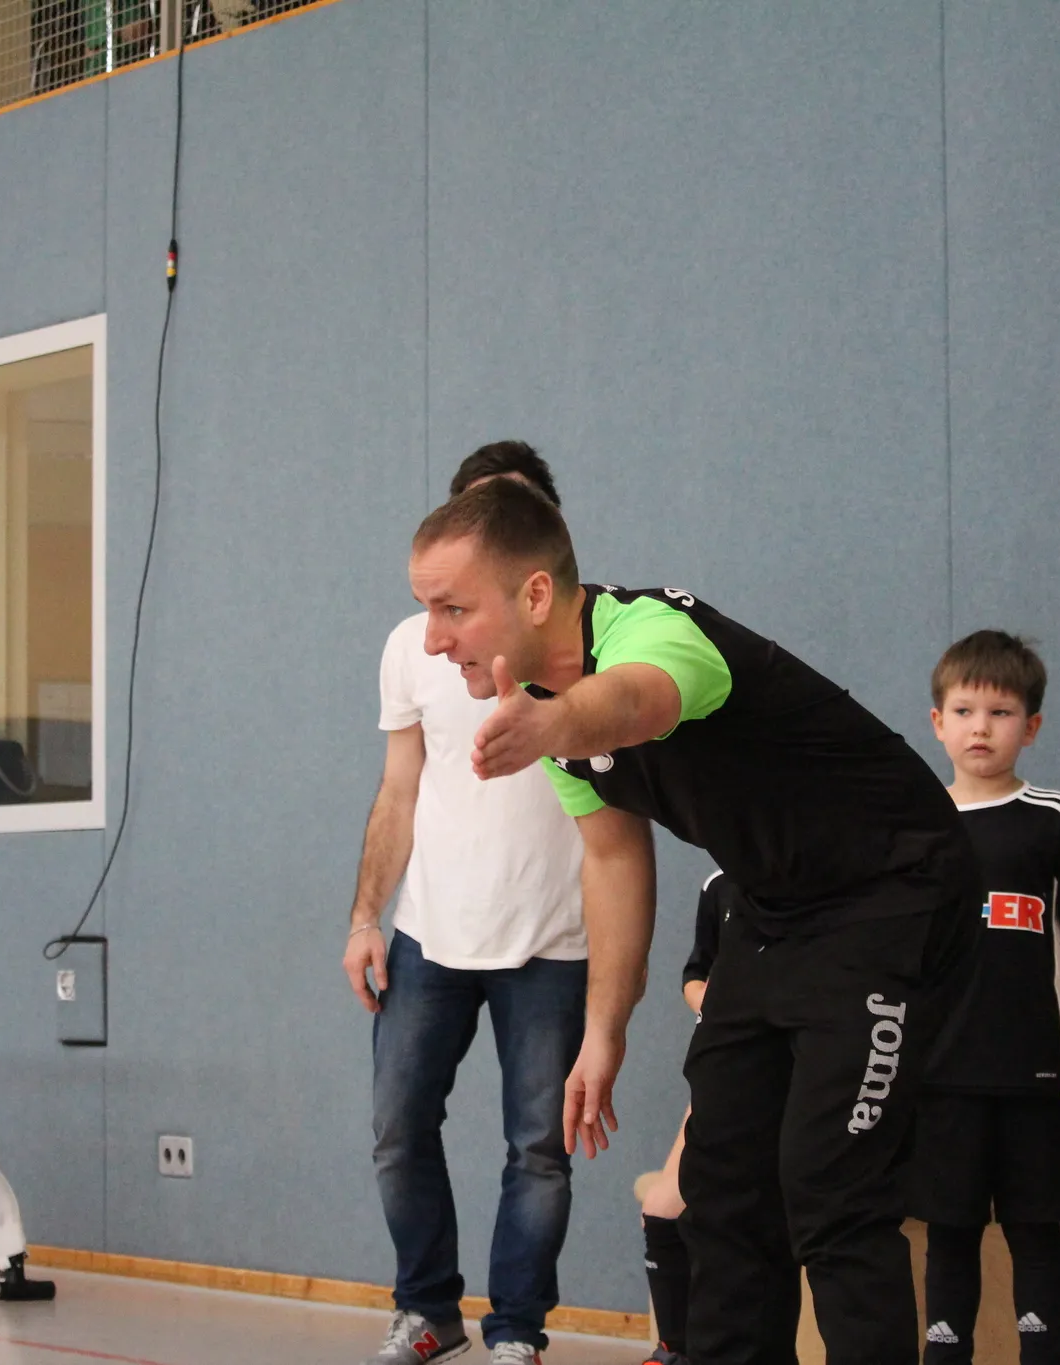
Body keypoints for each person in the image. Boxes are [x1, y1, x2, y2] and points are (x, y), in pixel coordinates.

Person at [407, 478, 980, 1365]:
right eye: (426, 611)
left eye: (453, 608)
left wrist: (556, 722)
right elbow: (613, 859)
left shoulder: (654, 635)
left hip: (895, 888)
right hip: (775, 907)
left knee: (831, 1189)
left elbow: (637, 702)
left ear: (536, 593)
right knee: (723, 1187)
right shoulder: (547, 717)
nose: (433, 639)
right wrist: (605, 1028)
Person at [346, 444, 588, 1365]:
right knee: (397, 1128)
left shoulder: (581, 642)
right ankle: (428, 1310)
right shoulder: (412, 648)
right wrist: (365, 918)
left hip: (552, 937)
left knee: (539, 1147)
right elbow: (398, 789)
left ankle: (517, 1330)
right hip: (428, 934)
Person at [907, 631, 1060, 1365]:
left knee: (1035, 1231)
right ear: (938, 722)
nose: (981, 727)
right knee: (950, 1234)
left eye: (1000, 712)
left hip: (1035, 1071)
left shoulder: (1055, 815)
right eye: (964, 711)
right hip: (939, 1073)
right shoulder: (914, 822)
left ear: (1032, 726)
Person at [637, 870, 798, 1365]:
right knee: (660, 1207)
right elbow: (695, 972)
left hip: (792, 1074)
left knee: (753, 1219)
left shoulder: (813, 877)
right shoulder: (718, 886)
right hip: (726, 1071)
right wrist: (716, 1003)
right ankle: (674, 1348)